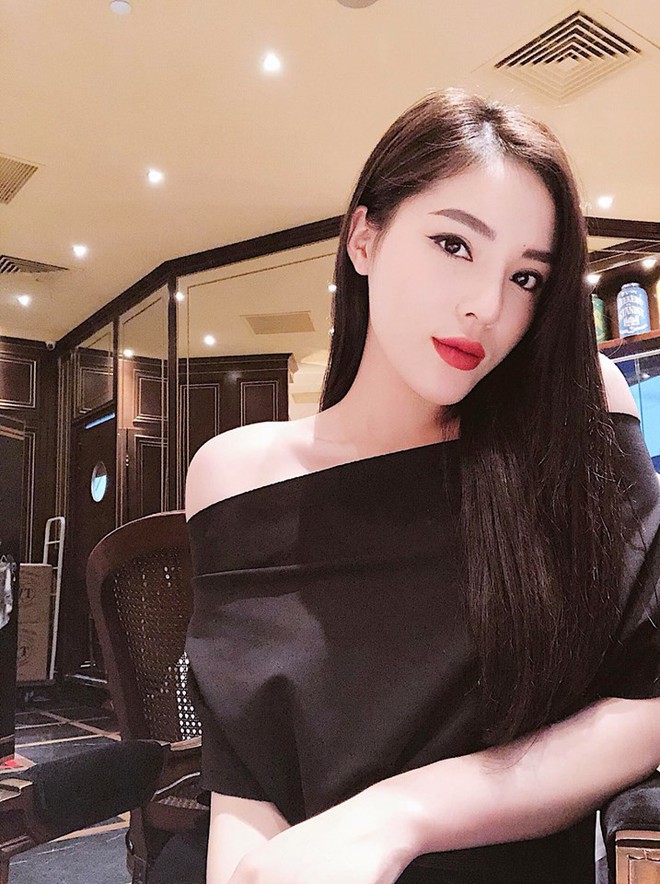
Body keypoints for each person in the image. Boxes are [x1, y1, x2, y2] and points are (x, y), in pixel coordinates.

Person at [183, 88, 660, 884]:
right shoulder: (234, 475)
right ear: (363, 237)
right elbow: (246, 779)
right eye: (453, 244)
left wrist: (396, 816)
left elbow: (646, 702)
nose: (486, 307)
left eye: (527, 278)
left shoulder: (572, 423)